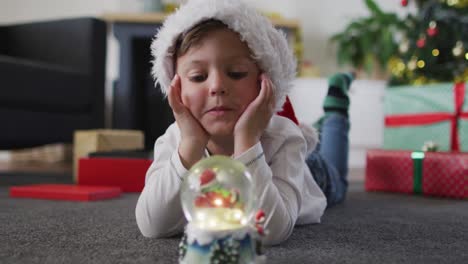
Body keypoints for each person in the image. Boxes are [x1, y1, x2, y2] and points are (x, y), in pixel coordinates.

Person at [136, 0, 352, 246]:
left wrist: (246, 141)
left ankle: (336, 114)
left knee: (338, 180)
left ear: (264, 81)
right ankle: (325, 122)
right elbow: (152, 226)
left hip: (308, 172)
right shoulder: (175, 140)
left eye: (236, 73)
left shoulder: (284, 139)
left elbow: (271, 230)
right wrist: (191, 145)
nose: (217, 86)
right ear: (176, 88)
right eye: (198, 77)